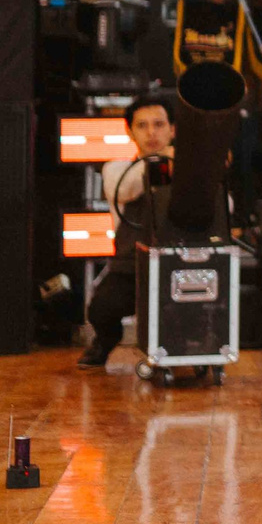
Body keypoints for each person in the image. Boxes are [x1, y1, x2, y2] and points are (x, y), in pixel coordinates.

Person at [79, 93, 175, 369]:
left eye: (158, 124)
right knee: (101, 309)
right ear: (130, 132)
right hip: (130, 266)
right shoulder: (117, 168)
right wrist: (158, 162)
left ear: (172, 129)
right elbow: (123, 191)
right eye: (142, 126)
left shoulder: (186, 169)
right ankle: (106, 340)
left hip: (174, 264)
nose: (151, 133)